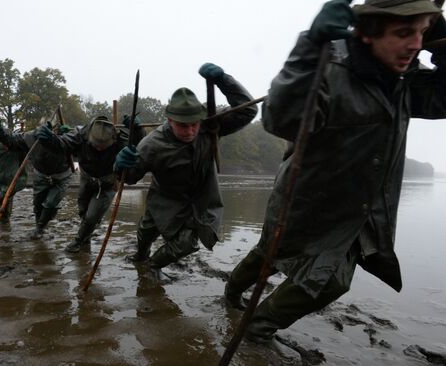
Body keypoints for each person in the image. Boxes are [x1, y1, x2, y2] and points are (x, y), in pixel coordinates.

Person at [225, 0, 446, 344]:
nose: (416, 44)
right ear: (370, 33)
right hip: (306, 201)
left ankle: (258, 325)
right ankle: (233, 288)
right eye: (404, 32)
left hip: (360, 212)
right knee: (269, 255)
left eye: (422, 31)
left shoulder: (405, 79)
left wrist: (445, 46)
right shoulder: (331, 68)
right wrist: (308, 49)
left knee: (331, 281)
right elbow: (280, 119)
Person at [114, 63, 258, 270]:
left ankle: (152, 267)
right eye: (183, 125)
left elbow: (249, 110)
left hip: (201, 198)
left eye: (194, 124)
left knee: (186, 244)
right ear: (170, 120)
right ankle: (141, 254)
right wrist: (121, 166)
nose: (190, 131)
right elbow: (128, 178)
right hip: (165, 198)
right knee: (147, 229)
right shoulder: (152, 145)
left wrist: (224, 80)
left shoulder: (211, 124)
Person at [35, 115, 144, 252]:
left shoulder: (119, 138)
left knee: (92, 216)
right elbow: (62, 144)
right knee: (83, 210)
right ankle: (87, 233)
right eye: (96, 145)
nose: (99, 149)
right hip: (86, 179)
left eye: (103, 146)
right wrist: (49, 139)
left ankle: (78, 241)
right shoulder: (80, 133)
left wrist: (137, 131)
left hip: (107, 184)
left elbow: (139, 149)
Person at [0, 117, 73, 239]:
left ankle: (41, 227)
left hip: (61, 176)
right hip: (41, 174)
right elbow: (12, 141)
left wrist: (70, 134)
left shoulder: (63, 137)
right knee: (38, 204)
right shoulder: (31, 137)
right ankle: (39, 228)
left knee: (50, 203)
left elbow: (79, 141)